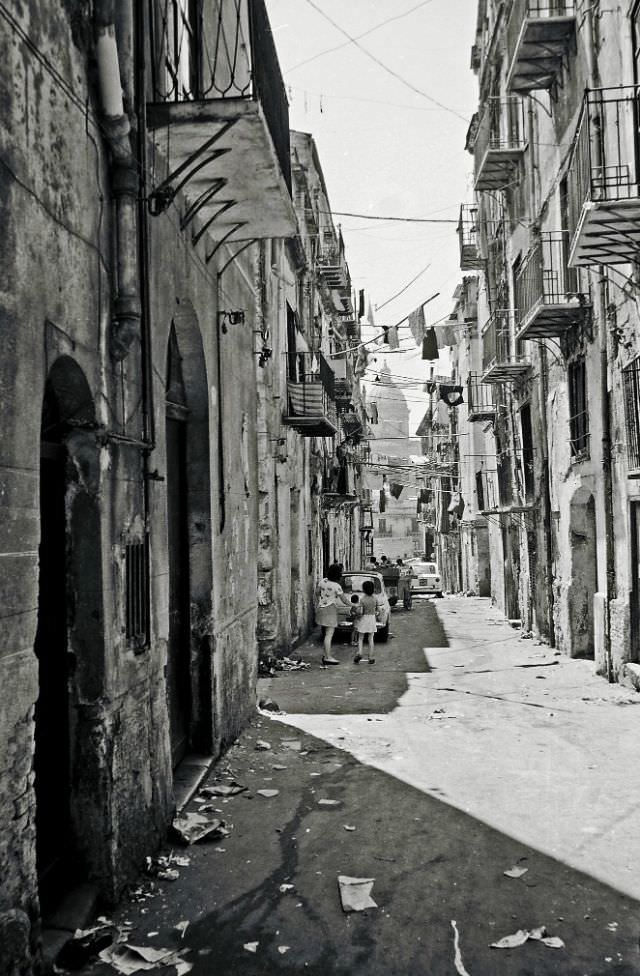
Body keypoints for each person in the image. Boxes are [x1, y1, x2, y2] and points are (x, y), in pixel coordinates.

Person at [315, 564, 352, 665]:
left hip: (321, 608)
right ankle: (328, 657)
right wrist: (354, 605)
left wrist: (323, 600)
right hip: (330, 610)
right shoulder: (337, 586)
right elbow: (344, 600)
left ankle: (326, 654)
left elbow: (317, 593)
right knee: (329, 634)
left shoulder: (323, 581)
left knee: (326, 634)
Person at [353, 579, 378, 665]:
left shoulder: (362, 599)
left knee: (360, 638)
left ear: (364, 589)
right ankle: (371, 657)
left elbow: (360, 612)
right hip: (372, 619)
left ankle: (360, 653)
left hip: (364, 619)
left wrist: (357, 615)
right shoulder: (374, 599)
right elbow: (377, 610)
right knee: (371, 639)